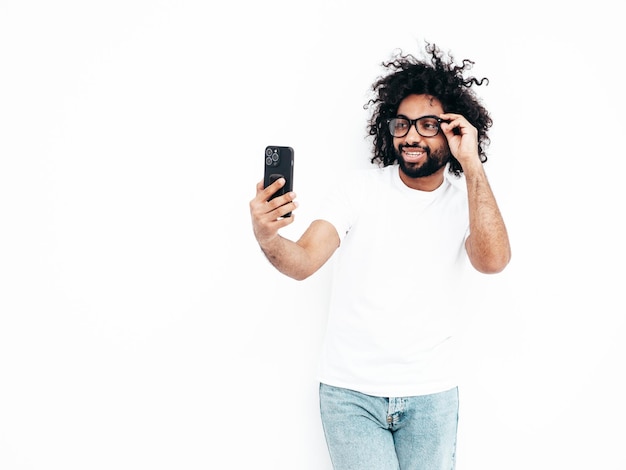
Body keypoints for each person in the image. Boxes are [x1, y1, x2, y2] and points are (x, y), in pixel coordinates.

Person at [249, 42, 511, 470]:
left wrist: (473, 164)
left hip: (432, 395)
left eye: (429, 125)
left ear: (454, 129)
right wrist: (267, 236)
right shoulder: (358, 190)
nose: (410, 135)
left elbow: (493, 260)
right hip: (351, 396)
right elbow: (303, 262)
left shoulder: (467, 201)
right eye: (403, 124)